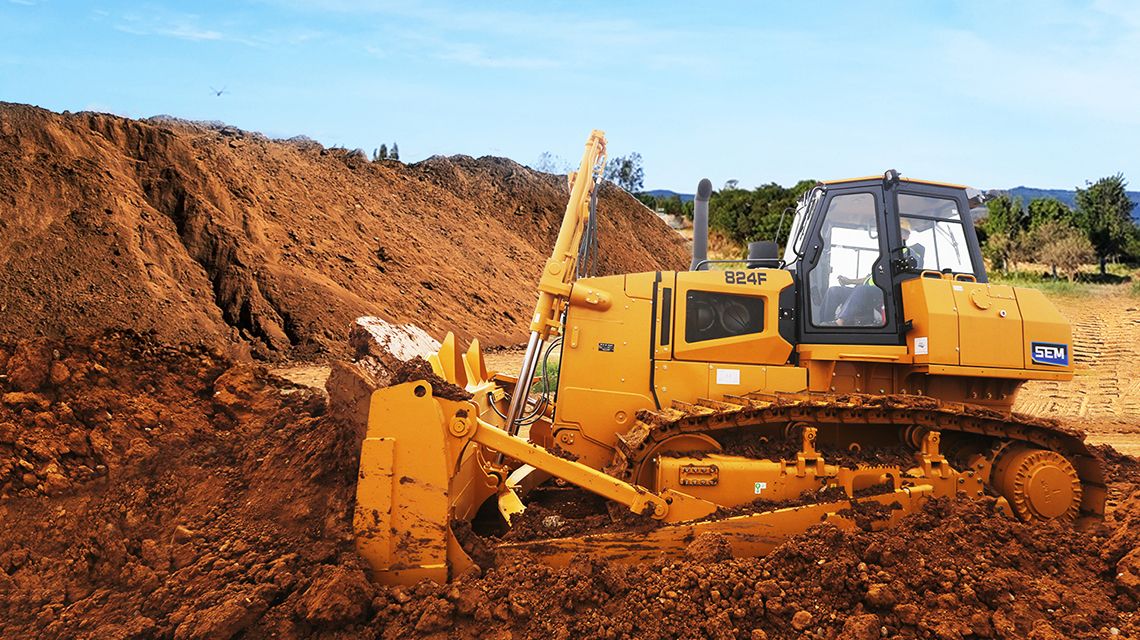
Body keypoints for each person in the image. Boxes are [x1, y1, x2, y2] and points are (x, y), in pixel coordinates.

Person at [834, 219, 925, 326]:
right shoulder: (888, 254)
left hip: (886, 293)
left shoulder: (909, 254)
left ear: (906, 236)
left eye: (898, 232)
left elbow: (907, 277)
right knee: (834, 291)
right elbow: (871, 277)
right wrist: (850, 281)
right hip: (867, 291)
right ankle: (825, 325)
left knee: (861, 290)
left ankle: (840, 323)